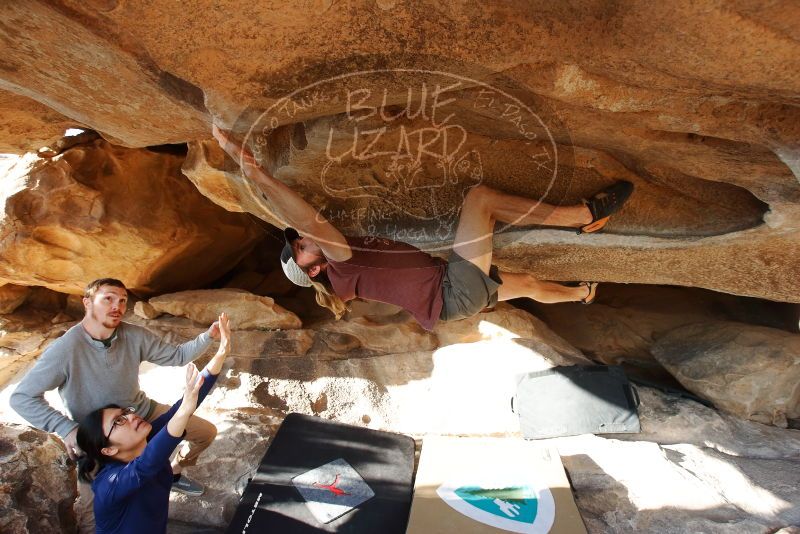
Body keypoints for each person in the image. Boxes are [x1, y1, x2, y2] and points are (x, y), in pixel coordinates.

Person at [212, 125, 633, 331]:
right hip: (452, 289)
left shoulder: (340, 262)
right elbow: (308, 221)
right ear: (314, 270)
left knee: (524, 283)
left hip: (448, 291)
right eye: (301, 249)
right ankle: (582, 216)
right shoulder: (340, 265)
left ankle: (583, 293)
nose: (302, 241)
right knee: (481, 200)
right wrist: (256, 173)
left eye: (298, 242)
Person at [10, 278, 223, 532]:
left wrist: (209, 337)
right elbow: (21, 397)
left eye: (122, 300)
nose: (117, 306)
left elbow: (176, 357)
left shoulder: (133, 334)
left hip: (140, 412)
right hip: (102, 438)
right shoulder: (66, 349)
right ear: (87, 303)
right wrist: (66, 428)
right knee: (93, 517)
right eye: (108, 298)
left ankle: (175, 471)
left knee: (206, 433)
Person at [76, 312, 231, 534]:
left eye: (125, 412)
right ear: (108, 449)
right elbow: (146, 465)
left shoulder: (145, 440)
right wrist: (185, 409)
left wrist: (222, 351)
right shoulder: (109, 484)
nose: (131, 416)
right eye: (119, 421)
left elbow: (190, 399)